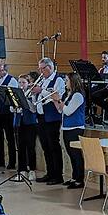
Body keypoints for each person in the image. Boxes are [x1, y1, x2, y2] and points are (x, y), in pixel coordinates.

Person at [32, 57, 66, 185]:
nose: (40, 72)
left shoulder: (58, 80)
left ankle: (58, 175)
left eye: (42, 69)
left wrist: (41, 90)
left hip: (52, 117)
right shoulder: (43, 80)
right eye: (39, 69)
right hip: (41, 117)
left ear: (50, 67)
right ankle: (50, 172)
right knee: (45, 146)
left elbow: (57, 95)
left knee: (54, 146)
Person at [51, 72, 86, 189]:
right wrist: (55, 101)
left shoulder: (78, 95)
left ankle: (80, 179)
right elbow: (61, 111)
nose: (65, 83)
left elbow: (68, 111)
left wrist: (59, 100)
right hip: (67, 127)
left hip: (76, 128)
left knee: (76, 155)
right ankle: (74, 177)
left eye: (67, 81)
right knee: (70, 154)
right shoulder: (69, 94)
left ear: (73, 81)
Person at [15, 73, 39, 182]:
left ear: (28, 83)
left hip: (30, 123)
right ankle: (22, 170)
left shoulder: (32, 94)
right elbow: (12, 109)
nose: (21, 85)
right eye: (19, 82)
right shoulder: (16, 94)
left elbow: (34, 109)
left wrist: (24, 100)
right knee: (20, 147)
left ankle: (32, 170)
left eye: (23, 82)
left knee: (30, 147)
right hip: (19, 122)